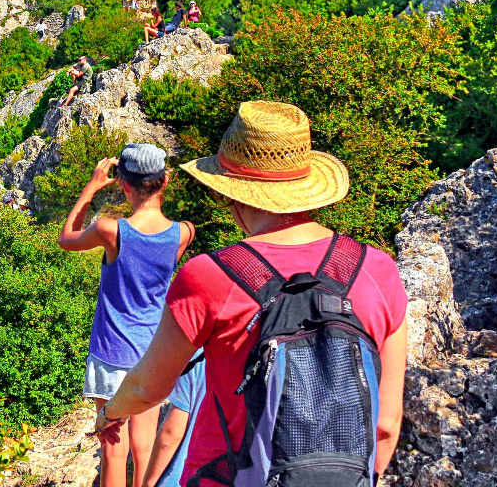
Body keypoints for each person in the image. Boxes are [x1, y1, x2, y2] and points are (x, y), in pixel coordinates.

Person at [93, 101, 408, 487]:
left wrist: (111, 414)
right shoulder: (378, 270)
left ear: (233, 193)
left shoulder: (209, 276)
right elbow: (387, 426)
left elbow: (147, 387)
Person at [57, 144, 195, 487]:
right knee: (143, 445)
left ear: (124, 185)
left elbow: (66, 239)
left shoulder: (111, 230)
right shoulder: (183, 233)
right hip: (151, 352)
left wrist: (91, 186)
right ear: (165, 181)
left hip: (111, 352)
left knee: (113, 447)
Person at [143, 351, 205, 487]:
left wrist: (149, 482)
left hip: (182, 479)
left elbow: (170, 435)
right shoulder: (257, 366)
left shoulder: (197, 360)